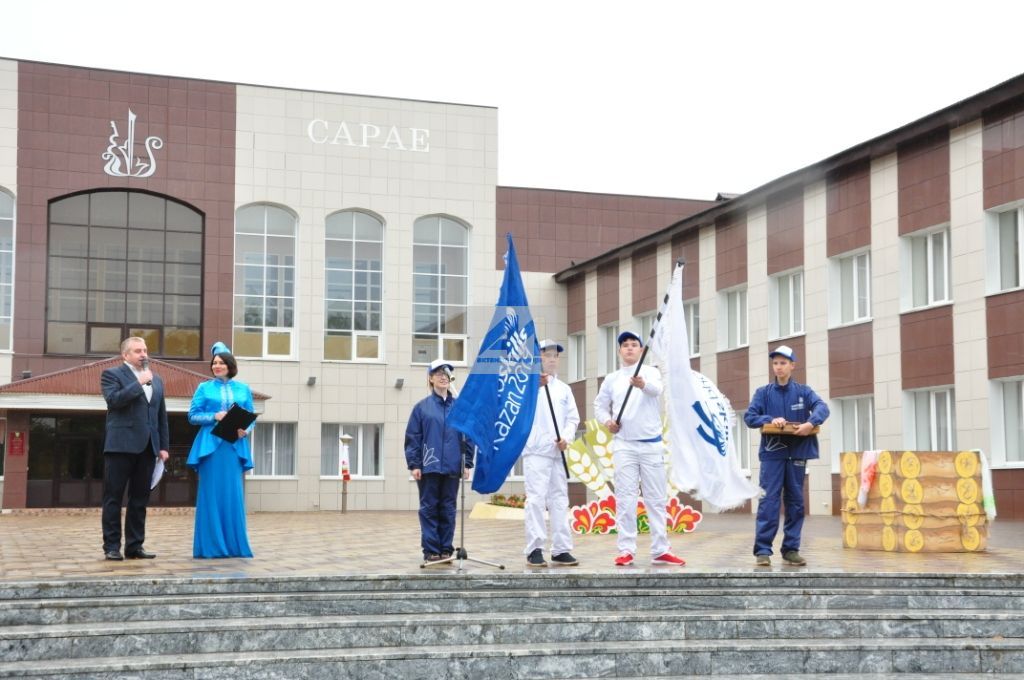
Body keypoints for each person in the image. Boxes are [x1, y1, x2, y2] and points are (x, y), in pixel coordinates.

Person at [594, 331, 685, 567]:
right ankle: (626, 549)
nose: (630, 348)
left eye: (634, 345)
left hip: (651, 445)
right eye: (625, 345)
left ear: (642, 350)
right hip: (624, 445)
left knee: (656, 499)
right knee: (626, 498)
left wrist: (642, 385)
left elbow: (658, 390)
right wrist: (608, 422)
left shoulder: (651, 373)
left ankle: (661, 549)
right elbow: (600, 407)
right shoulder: (612, 379)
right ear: (619, 351)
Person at [744, 344, 830, 567]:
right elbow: (750, 417)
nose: (779, 367)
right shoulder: (763, 393)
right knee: (768, 502)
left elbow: (823, 407)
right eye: (775, 363)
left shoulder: (804, 391)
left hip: (797, 454)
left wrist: (810, 423)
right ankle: (763, 550)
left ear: (792, 365)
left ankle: (791, 549)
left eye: (783, 363)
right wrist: (769, 419)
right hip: (772, 455)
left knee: (796, 503)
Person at [100, 337, 170, 561]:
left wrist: (163, 446)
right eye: (138, 350)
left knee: (139, 500)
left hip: (148, 448)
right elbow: (114, 400)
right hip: (120, 446)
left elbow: (161, 416)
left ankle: (135, 546)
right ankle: (112, 547)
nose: (143, 354)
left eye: (145, 350)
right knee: (113, 498)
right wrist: (138, 382)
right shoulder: (112, 375)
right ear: (125, 355)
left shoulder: (157, 380)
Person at [186, 341, 255, 558]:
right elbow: (192, 416)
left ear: (230, 365)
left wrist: (246, 429)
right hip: (211, 447)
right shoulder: (203, 388)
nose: (217, 366)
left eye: (221, 362)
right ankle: (211, 546)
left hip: (234, 445)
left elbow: (251, 416)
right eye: (214, 363)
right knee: (211, 495)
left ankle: (235, 547)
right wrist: (213, 416)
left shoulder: (243, 388)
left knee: (233, 494)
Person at [404, 358, 473, 563]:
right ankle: (431, 550)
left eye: (447, 373)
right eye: (439, 373)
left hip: (452, 466)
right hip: (429, 466)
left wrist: (467, 462)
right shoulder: (422, 408)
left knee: (448, 508)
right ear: (431, 378)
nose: (443, 377)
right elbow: (413, 437)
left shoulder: (459, 407)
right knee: (429, 508)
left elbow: (467, 435)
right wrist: (415, 464)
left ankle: (445, 549)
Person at [523, 339, 581, 568]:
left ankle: (561, 548)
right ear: (538, 358)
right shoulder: (528, 387)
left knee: (559, 500)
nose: (552, 359)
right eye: (547, 354)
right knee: (536, 499)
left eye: (555, 355)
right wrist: (534, 387)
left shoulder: (564, 389)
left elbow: (573, 418)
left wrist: (566, 437)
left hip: (557, 452)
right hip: (536, 450)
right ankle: (534, 548)